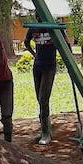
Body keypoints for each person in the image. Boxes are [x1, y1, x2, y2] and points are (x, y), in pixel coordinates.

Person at [24, 16, 58, 145]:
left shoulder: (54, 28)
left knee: (43, 99)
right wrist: (34, 54)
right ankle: (47, 129)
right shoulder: (33, 27)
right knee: (40, 99)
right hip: (37, 67)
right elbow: (26, 42)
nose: (39, 17)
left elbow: (65, 44)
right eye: (37, 15)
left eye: (40, 14)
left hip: (49, 68)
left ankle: (45, 133)